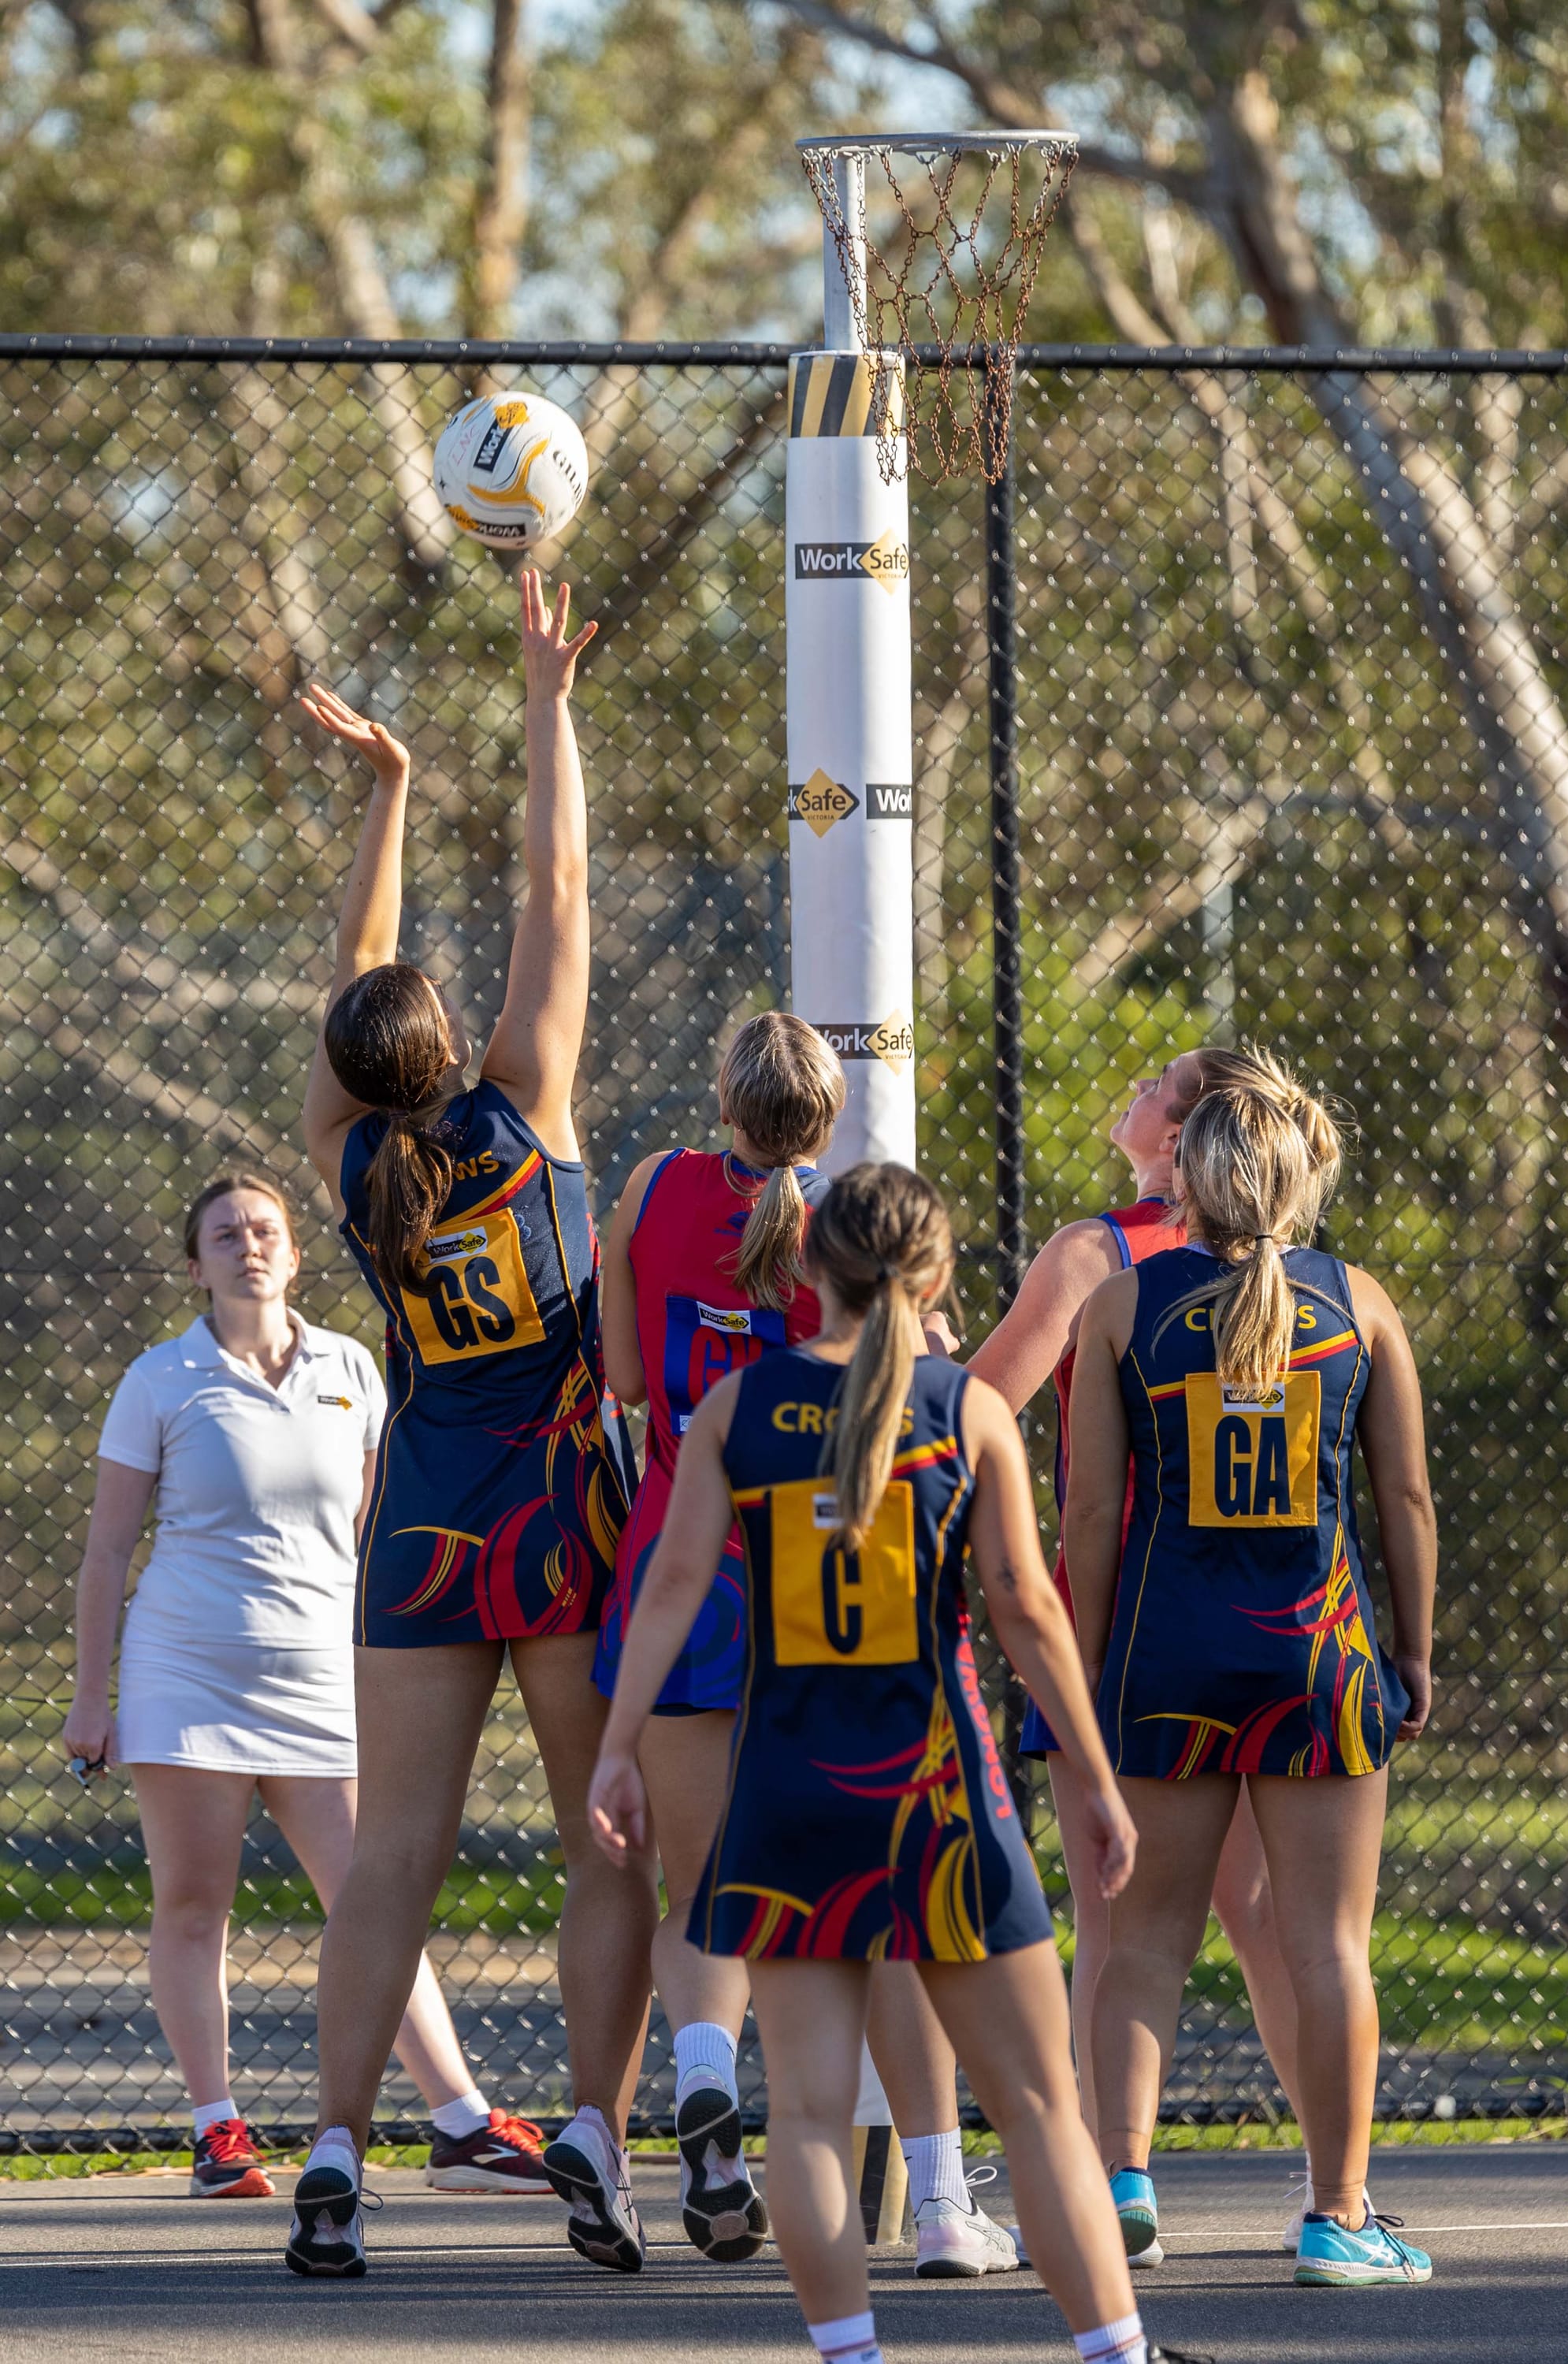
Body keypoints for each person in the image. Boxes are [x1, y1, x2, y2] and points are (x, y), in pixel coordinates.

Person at [589, 1161, 1209, 2364]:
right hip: (937, 1790)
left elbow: (672, 1583)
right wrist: (1094, 1773)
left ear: (807, 1267)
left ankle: (853, 2353)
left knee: (809, 2113)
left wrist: (621, 1748)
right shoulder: (963, 1409)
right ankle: (1116, 2353)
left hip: (790, 1791)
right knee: (1037, 2103)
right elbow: (1026, 1607)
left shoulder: (740, 1409)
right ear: (934, 1279)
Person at [284, 571, 657, 2280]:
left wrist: (388, 792)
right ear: (458, 1044)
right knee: (606, 1835)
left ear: (357, 1069)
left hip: (427, 1517)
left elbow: (351, 977)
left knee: (393, 1861)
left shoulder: (349, 1162)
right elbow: (556, 887)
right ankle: (595, 2132)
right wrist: (545, 699)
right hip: (563, 1512)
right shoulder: (530, 1108)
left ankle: (337, 2147)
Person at [596, 1016, 1012, 2277]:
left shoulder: (654, 1188)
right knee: (877, 1909)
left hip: (678, 1573)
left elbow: (626, 1380)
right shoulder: (851, 1232)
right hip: (819, 1584)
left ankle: (706, 2087)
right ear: (827, 1117)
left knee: (699, 1888)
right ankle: (941, 2201)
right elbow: (914, 1387)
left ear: (724, 1102)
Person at [61, 1173, 542, 2200]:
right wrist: (90, 1699)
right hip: (186, 1676)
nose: (249, 1245)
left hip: (326, 1680)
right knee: (194, 1906)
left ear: (292, 1252)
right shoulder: (160, 1379)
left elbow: (379, 1535)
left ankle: (460, 2126)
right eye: (225, 1234)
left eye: (266, 1229)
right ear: (196, 1265)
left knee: (374, 1897)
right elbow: (105, 1553)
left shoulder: (351, 1366)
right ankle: (217, 2132)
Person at [1065, 1063, 1436, 2289]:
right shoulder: (1357, 1304)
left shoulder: (1120, 1307)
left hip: (1167, 1653)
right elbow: (1407, 1501)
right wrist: (1414, 1652)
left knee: (1143, 1943)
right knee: (1329, 1949)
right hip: (1317, 1658)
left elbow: (1090, 1518)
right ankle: (1339, 2218)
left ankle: (1123, 2184)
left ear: (1187, 1175)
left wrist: (1092, 1668)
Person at [968, 1047, 1325, 2254]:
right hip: (1275, 1628)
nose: (1131, 1090)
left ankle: (1109, 2184)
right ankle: (1335, 2187)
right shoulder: (1302, 1273)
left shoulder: (1099, 1257)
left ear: (1178, 1140)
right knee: (1269, 1920)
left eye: (1155, 1083)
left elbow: (976, 1408)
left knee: (1120, 1923)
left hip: (1123, 1626)